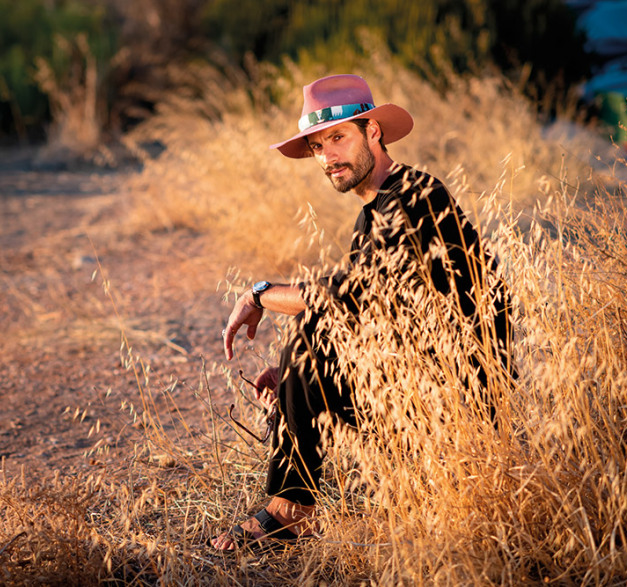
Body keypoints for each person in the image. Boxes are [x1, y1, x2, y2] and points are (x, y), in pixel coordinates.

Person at [211, 74, 512, 551]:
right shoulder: (372, 210)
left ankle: (289, 512)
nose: (327, 157)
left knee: (311, 326)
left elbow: (345, 297)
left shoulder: (414, 196)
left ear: (374, 132)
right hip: (418, 386)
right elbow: (371, 316)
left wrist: (259, 294)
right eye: (317, 146)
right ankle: (294, 503)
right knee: (308, 344)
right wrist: (293, 378)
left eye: (338, 137)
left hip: (459, 406)